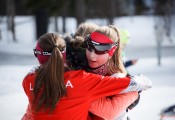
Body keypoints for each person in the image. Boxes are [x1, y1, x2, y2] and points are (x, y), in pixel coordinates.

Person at [22, 33, 152, 120]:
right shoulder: (81, 80)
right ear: (64, 54)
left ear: (39, 56)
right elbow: (129, 84)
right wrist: (140, 83)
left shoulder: (28, 82)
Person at [68, 23, 150, 120]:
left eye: (100, 49)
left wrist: (131, 89)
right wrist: (134, 91)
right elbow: (109, 111)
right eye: (88, 46)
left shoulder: (115, 75)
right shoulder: (75, 77)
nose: (91, 55)